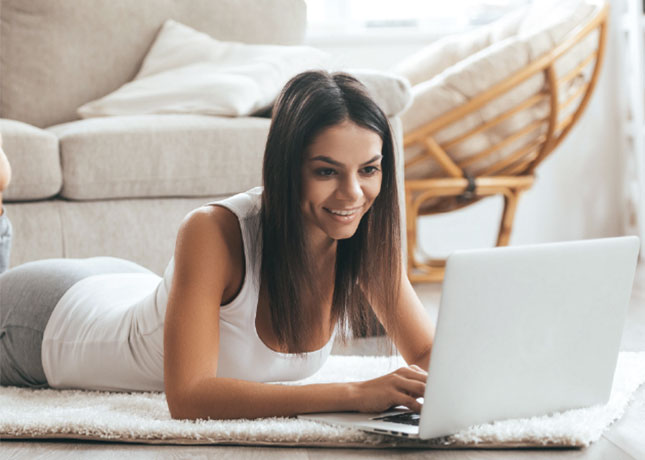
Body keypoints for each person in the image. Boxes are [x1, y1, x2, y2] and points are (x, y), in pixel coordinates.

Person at [0, 70, 435, 420]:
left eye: (369, 170)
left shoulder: (363, 236)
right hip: (45, 321)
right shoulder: (214, 230)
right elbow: (189, 397)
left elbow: (427, 352)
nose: (353, 194)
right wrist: (354, 393)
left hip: (125, 288)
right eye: (326, 172)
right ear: (286, 169)